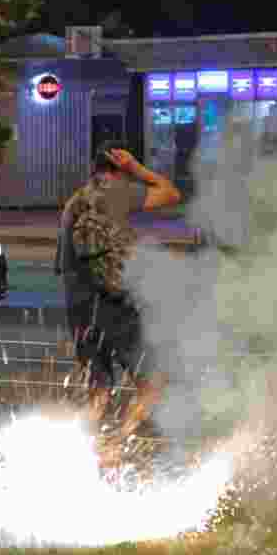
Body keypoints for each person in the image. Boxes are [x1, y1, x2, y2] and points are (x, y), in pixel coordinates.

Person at [56, 141, 181, 434]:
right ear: (118, 170)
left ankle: (89, 447)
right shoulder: (119, 191)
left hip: (79, 308)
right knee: (151, 384)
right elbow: (172, 193)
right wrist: (136, 168)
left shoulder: (73, 202)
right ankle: (120, 441)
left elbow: (63, 264)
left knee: (98, 390)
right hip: (113, 304)